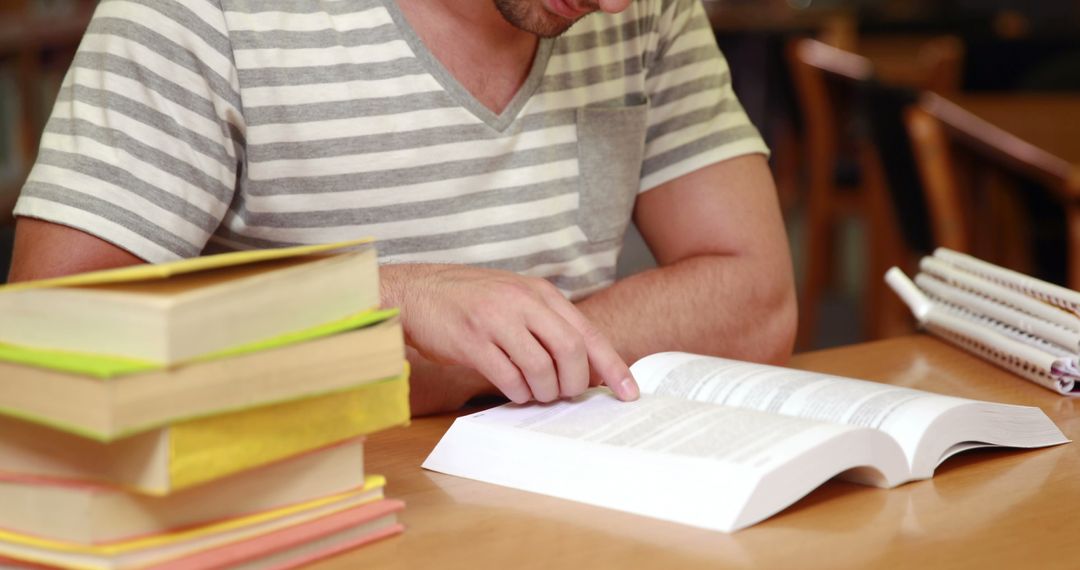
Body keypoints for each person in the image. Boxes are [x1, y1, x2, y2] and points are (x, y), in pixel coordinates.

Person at [7, 0, 797, 415]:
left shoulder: (645, 9)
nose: (618, 3)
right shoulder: (199, 13)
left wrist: (474, 368)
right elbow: (43, 347)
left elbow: (758, 300)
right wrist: (385, 298)